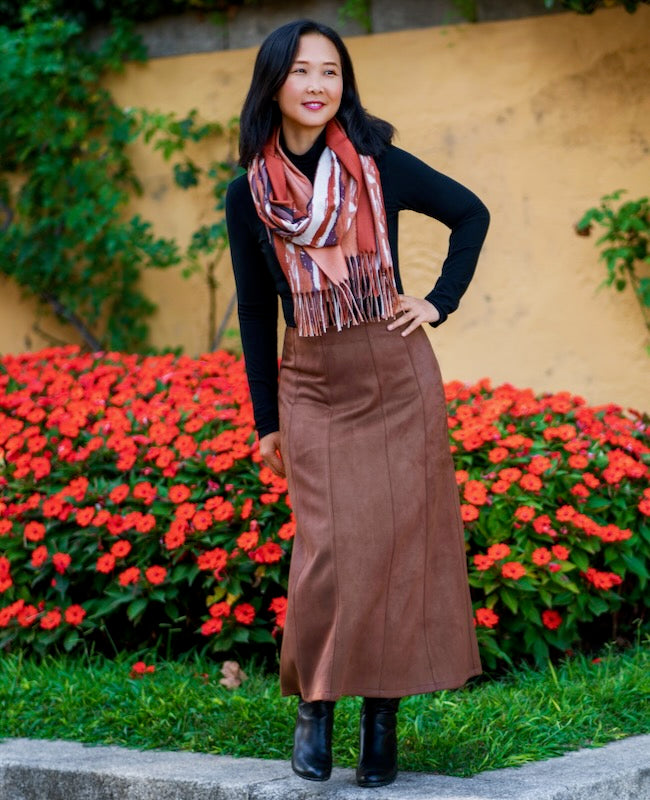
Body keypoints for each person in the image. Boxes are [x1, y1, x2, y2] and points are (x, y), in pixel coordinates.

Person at [226, 19, 490, 788]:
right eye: (303, 71)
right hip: (312, 377)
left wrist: (437, 302)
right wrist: (267, 421)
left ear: (344, 85)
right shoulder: (249, 196)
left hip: (397, 373)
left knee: (400, 551)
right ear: (274, 81)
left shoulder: (377, 162)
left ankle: (382, 716)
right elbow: (252, 312)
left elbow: (470, 213)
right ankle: (317, 707)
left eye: (331, 73)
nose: (317, 86)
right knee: (331, 547)